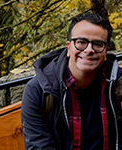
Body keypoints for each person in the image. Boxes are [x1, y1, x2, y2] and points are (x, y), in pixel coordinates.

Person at [21, 11, 122, 150]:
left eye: (98, 44)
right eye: (81, 42)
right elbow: (39, 146)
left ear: (106, 52)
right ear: (69, 47)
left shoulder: (117, 83)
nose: (89, 50)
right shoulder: (39, 92)